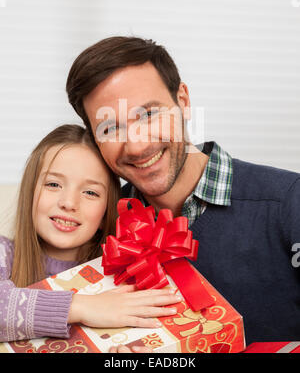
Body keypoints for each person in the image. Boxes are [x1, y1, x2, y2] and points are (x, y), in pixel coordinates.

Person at [66, 36, 300, 346]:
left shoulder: (287, 202)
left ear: (184, 102)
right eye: (111, 129)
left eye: (149, 114)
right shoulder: (98, 218)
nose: (137, 145)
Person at [0, 124, 181, 349]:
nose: (68, 203)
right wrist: (84, 307)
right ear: (29, 191)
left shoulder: (125, 275)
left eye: (90, 192)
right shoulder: (4, 253)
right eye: (53, 184)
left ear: (107, 208)